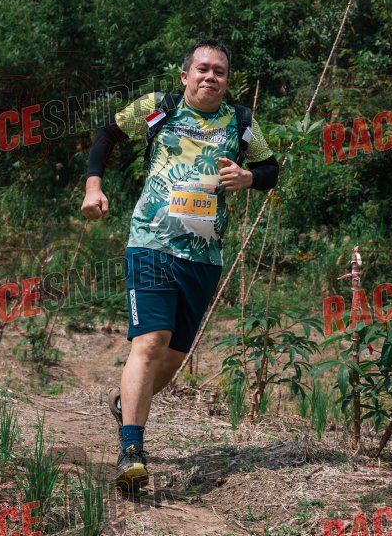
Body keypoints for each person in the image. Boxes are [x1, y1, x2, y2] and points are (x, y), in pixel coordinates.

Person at [81, 38, 279, 490]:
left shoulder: (241, 123)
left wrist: (249, 176)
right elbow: (106, 134)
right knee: (151, 342)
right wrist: (93, 186)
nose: (211, 77)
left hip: (204, 256)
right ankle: (132, 451)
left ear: (227, 81)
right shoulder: (159, 108)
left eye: (220, 72)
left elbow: (271, 169)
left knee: (171, 359)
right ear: (185, 75)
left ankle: (124, 404)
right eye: (203, 69)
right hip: (151, 243)